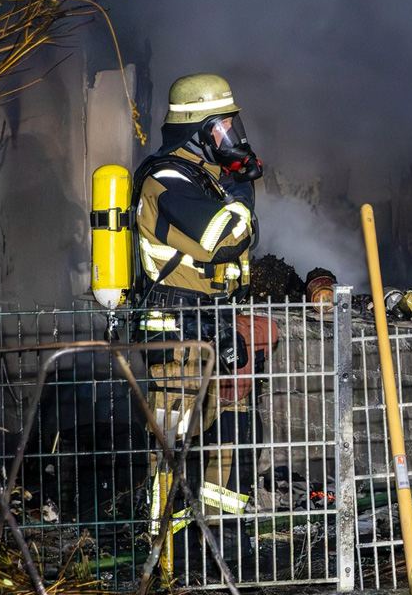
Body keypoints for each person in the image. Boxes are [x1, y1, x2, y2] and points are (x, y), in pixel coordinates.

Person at [131, 72, 264, 581]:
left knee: (230, 433)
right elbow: (224, 238)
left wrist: (232, 183)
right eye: (222, 128)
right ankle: (162, 554)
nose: (231, 137)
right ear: (196, 130)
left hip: (207, 329)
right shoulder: (166, 182)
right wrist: (241, 189)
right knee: (173, 442)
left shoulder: (203, 179)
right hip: (175, 335)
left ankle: (217, 543)